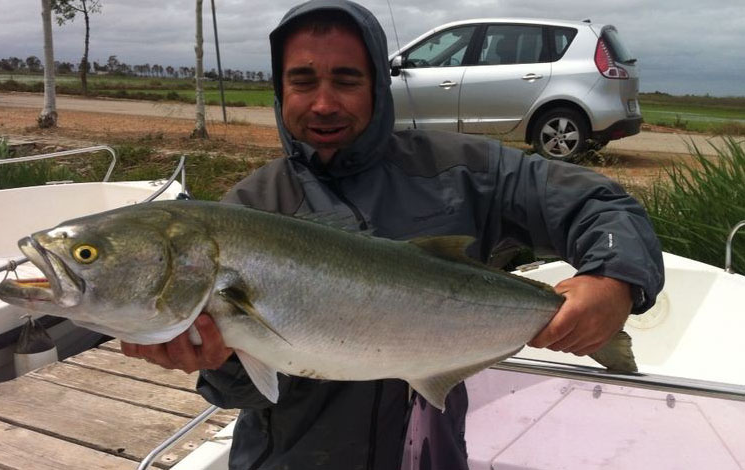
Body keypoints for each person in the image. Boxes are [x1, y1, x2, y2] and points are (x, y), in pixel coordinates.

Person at [121, 1, 664, 469]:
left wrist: (614, 280)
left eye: (347, 80)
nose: (324, 103)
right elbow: (245, 391)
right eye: (303, 81)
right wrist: (216, 360)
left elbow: (602, 204)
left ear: (379, 85)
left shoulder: (464, 170)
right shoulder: (248, 210)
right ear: (279, 89)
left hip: (429, 453)